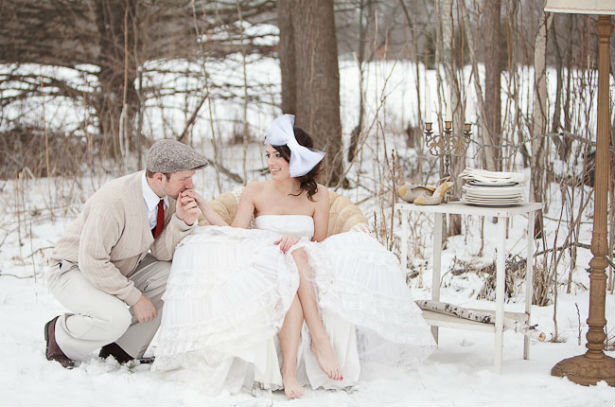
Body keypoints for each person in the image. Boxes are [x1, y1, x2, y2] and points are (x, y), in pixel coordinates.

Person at [150, 115, 435, 398]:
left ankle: (291, 368)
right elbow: (236, 233)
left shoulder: (319, 195)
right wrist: (203, 205)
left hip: (303, 262)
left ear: (296, 158)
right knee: (285, 270)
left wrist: (297, 243)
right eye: (268, 155)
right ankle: (316, 341)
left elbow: (320, 243)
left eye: (278, 156)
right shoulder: (255, 190)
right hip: (264, 260)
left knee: (297, 255)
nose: (270, 162)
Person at [44, 139, 207, 368]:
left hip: (118, 268)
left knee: (173, 275)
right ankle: (60, 334)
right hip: (73, 269)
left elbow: (161, 253)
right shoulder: (114, 200)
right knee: (116, 317)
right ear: (159, 177)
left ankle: (121, 350)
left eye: (191, 177)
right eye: (184, 178)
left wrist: (181, 221)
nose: (190, 185)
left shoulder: (167, 199)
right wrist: (135, 298)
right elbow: (92, 261)